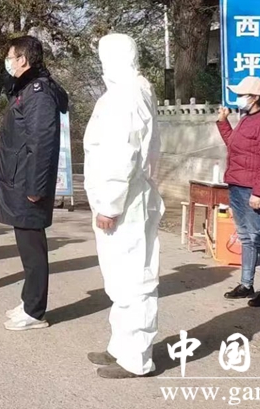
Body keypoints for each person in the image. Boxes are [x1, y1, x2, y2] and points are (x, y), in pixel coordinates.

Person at [83, 34, 165, 379]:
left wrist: (110, 204)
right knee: (119, 279)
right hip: (123, 200)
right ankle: (121, 346)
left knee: (134, 279)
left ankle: (137, 358)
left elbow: (122, 154)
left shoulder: (128, 95)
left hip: (126, 202)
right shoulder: (127, 92)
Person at [0, 36, 68, 330]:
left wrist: (36, 187)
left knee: (33, 248)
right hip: (20, 177)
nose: (8, 63)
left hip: (28, 181)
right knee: (26, 245)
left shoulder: (38, 92)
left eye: (10, 57)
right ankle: (29, 301)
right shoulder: (26, 89)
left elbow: (42, 142)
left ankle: (35, 311)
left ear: (23, 59)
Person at [217, 75, 260, 308]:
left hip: (252, 189)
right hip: (237, 184)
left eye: (240, 95)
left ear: (254, 98)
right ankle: (246, 284)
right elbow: (234, 144)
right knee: (245, 237)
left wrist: (258, 192)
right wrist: (223, 122)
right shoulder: (247, 119)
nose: (237, 99)